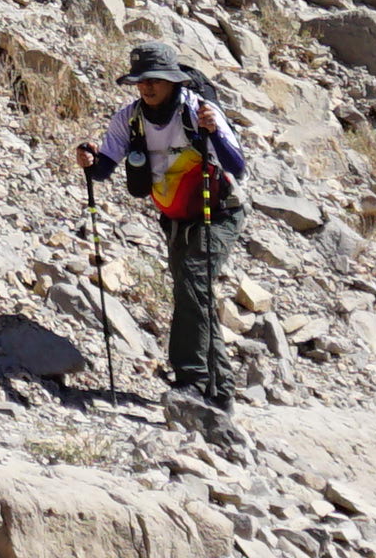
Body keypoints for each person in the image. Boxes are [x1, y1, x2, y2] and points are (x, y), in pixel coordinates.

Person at [78, 42, 249, 417]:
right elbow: (105, 167)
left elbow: (237, 166)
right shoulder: (129, 119)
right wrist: (90, 161)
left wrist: (214, 131)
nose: (147, 88)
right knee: (194, 295)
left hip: (218, 211)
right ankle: (221, 394)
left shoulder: (198, 111)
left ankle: (191, 383)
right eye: (141, 81)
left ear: (173, 81)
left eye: (155, 80)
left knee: (192, 284)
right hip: (174, 217)